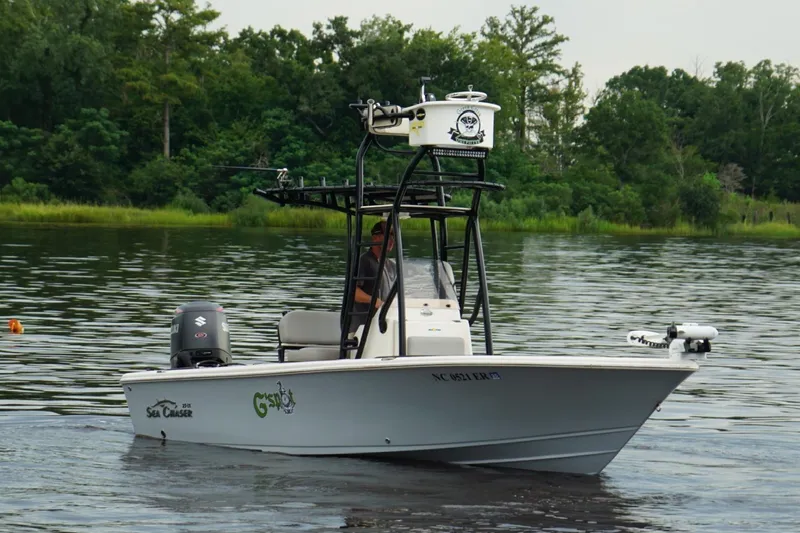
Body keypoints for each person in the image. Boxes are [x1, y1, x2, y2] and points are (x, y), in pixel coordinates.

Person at [349, 220, 397, 333]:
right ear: (375, 238)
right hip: (361, 328)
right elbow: (353, 293)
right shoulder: (364, 261)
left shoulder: (392, 265)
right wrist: (374, 301)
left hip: (381, 326)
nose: (391, 240)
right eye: (387, 235)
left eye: (393, 236)